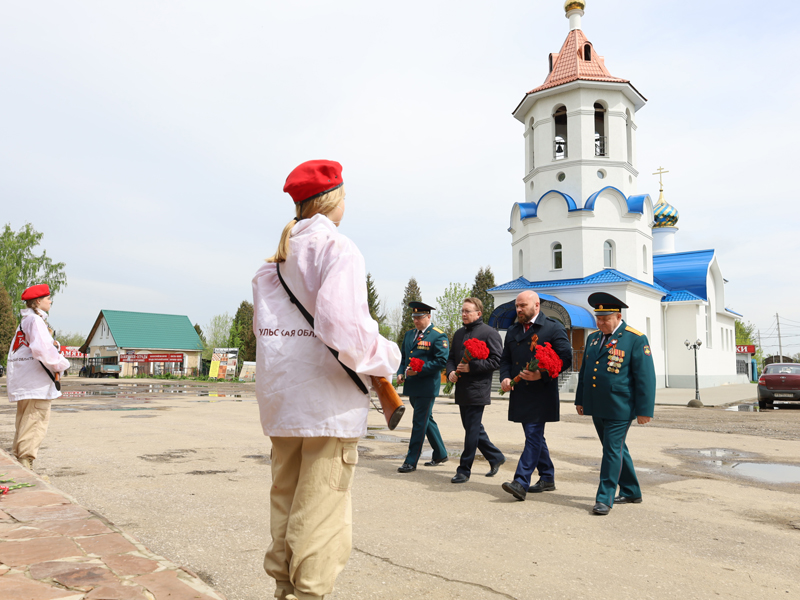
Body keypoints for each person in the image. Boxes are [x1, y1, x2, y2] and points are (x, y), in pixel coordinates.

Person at [252, 159, 401, 600]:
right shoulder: (337, 248)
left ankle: (284, 588)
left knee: (287, 501)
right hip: (327, 404)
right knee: (321, 512)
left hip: (282, 401)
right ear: (335, 199)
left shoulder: (270, 265)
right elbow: (343, 329)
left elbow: (271, 337)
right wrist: (386, 356)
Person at [574, 292, 656, 516]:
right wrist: (580, 399)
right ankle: (631, 491)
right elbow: (585, 373)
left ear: (618, 316)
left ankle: (604, 498)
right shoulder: (592, 339)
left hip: (621, 406)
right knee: (616, 449)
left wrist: (644, 410)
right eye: (598, 318)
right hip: (596, 404)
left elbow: (646, 378)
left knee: (611, 450)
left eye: (605, 318)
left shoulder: (635, 338)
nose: (600, 323)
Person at [499, 290, 572, 501]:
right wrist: (505, 378)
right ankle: (547, 477)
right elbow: (505, 360)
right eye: (516, 306)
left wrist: (541, 374)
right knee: (535, 437)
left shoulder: (553, 327)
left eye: (522, 305)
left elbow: (565, 358)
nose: (518, 309)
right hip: (520, 392)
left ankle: (521, 482)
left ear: (536, 305)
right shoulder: (513, 330)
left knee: (533, 435)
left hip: (541, 393)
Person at [6, 284, 70, 471]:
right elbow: (43, 350)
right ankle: (27, 467)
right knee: (35, 423)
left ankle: (20, 466)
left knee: (24, 423)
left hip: (25, 381)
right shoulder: (35, 321)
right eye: (48, 298)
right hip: (36, 383)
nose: (50, 301)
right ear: (37, 302)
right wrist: (62, 364)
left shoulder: (25, 322)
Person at [445, 297, 505, 484]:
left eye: (467, 311)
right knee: (473, 429)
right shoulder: (459, 333)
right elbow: (451, 358)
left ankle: (464, 470)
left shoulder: (489, 333)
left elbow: (496, 360)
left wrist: (473, 367)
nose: (464, 314)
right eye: (462, 311)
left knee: (471, 430)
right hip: (462, 389)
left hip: (478, 389)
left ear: (478, 313)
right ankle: (495, 457)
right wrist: (451, 373)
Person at [396, 301, 449, 473]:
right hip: (412, 386)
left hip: (426, 386)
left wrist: (418, 371)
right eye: (414, 317)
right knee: (427, 420)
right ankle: (440, 453)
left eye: (419, 317)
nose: (416, 321)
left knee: (419, 422)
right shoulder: (409, 334)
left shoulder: (437, 336)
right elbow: (404, 357)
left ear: (428, 317)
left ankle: (411, 461)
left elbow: (441, 361)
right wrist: (400, 372)